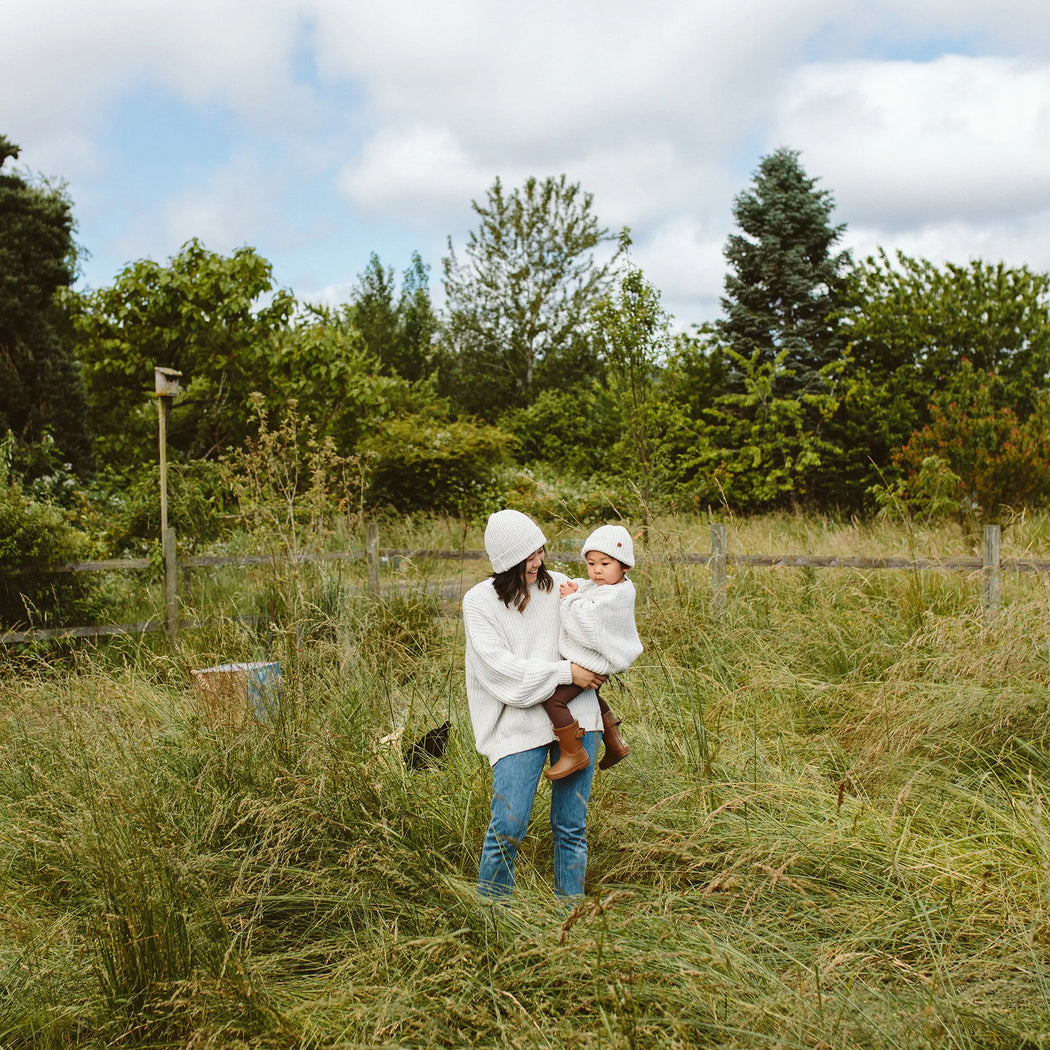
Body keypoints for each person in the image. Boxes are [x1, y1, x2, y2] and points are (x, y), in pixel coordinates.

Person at [463, 508, 606, 898]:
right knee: (507, 828)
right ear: (508, 561)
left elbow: (608, 612)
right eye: (530, 556)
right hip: (515, 722)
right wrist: (566, 673)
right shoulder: (479, 602)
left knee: (571, 827)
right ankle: (491, 925)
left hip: (576, 714)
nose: (539, 561)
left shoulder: (561, 586)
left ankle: (570, 923)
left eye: (540, 551)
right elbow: (500, 670)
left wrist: (590, 612)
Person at [542, 524, 643, 780]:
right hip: (597, 662)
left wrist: (569, 600)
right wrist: (574, 590)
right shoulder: (609, 586)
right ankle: (615, 742)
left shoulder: (616, 595)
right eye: (591, 563)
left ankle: (573, 752)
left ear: (625, 567)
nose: (596, 570)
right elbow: (584, 587)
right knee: (592, 696)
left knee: (553, 698)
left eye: (605, 563)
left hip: (593, 663)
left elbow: (588, 622)